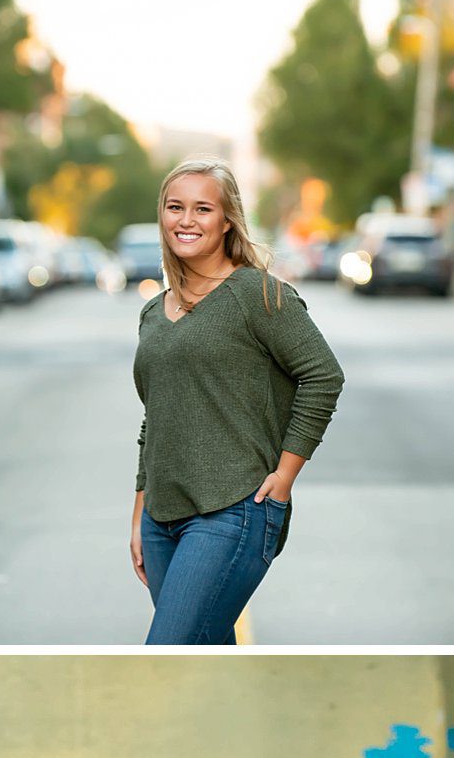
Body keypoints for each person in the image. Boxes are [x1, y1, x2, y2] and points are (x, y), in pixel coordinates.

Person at [131, 161, 344, 647]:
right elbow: (156, 418)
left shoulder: (258, 294)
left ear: (227, 221)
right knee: (207, 658)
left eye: (202, 209)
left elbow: (323, 375)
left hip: (234, 508)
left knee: (167, 654)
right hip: (162, 520)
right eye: (175, 207)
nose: (186, 220)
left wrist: (285, 476)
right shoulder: (152, 312)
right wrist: (139, 512)